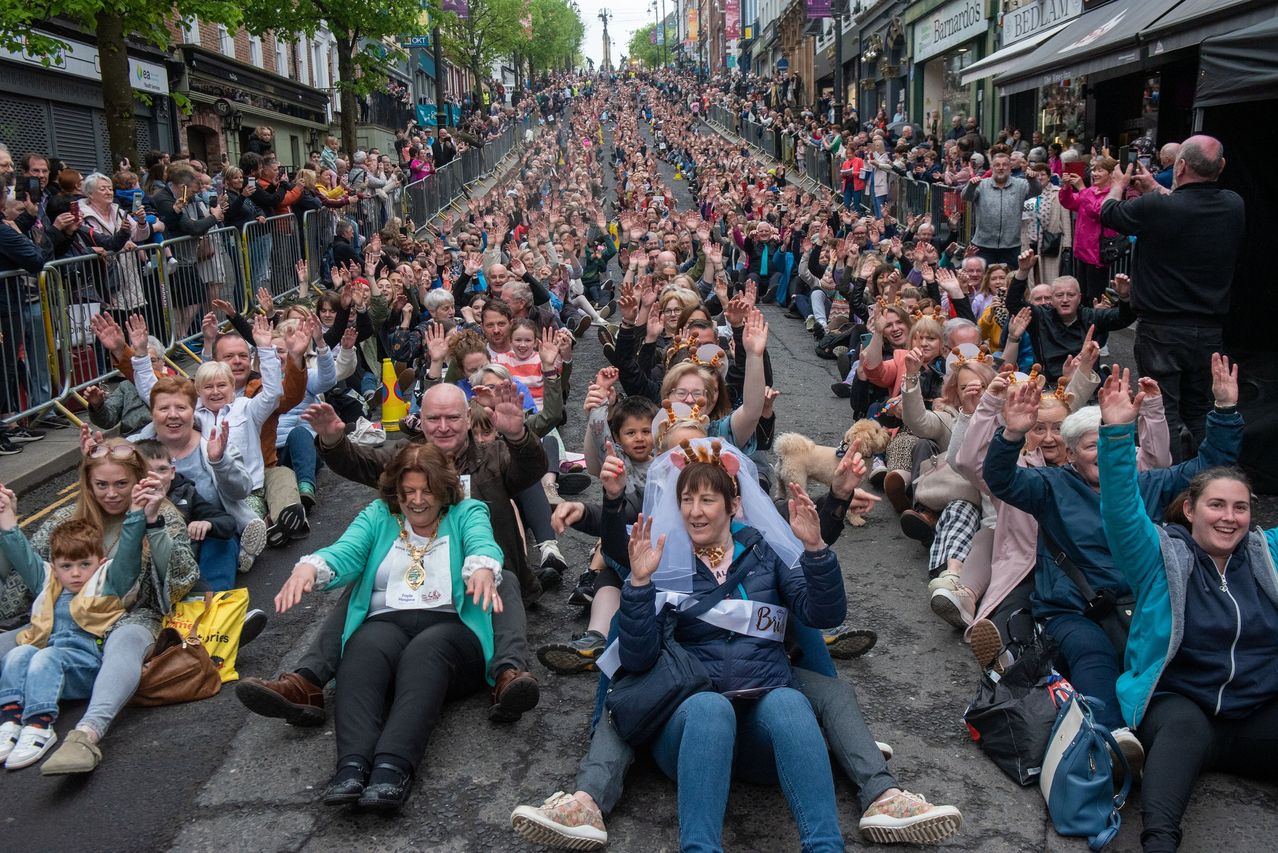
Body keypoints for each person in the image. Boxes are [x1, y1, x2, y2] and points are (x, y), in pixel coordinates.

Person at [981, 358, 1244, 776]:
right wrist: (1012, 432)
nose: (1103, 454)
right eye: (1091, 445)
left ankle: (1195, 738)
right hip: (1072, 610)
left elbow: (1206, 469)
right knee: (1093, 654)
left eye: (1110, 443)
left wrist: (1225, 410)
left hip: (1140, 605)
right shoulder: (1051, 485)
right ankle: (1112, 738)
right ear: (1069, 454)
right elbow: (1000, 480)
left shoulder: (1146, 484)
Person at [235, 382, 545, 725]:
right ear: (421, 420)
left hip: (481, 581)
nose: (443, 426)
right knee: (363, 583)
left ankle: (508, 678)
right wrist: (334, 440)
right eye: (434, 418)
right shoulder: (406, 459)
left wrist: (518, 436)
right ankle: (307, 681)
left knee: (508, 581)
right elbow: (361, 463)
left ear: (469, 419)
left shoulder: (494, 456)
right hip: (417, 576)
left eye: (453, 418)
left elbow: (530, 470)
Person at [1095, 366, 1278, 853]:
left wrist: (1225, 410)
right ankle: (1158, 844)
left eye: (1240, 508)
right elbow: (1119, 511)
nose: (1229, 517)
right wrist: (1115, 434)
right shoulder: (1160, 555)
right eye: (1217, 505)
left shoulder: (1267, 554)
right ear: (1191, 509)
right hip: (1183, 706)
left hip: (1258, 713)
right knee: (1179, 733)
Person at [273, 442, 503, 811]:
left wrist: (480, 567)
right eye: (407, 491)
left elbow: (482, 542)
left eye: (426, 490)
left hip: (451, 629)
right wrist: (309, 568)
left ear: (444, 488)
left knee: (426, 652)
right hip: (388, 621)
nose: (416, 500)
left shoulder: (467, 511)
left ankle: (392, 768)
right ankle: (351, 767)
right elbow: (345, 551)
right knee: (361, 648)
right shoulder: (379, 515)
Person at [0, 437, 198, 774]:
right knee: (11, 647)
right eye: (101, 484)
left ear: (138, 480)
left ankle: (86, 734)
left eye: (122, 483)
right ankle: (14, 717)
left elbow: (179, 578)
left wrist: (151, 522)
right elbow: (25, 577)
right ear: (88, 484)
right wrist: (6, 524)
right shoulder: (66, 517)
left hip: (131, 614)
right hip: (61, 618)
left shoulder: (162, 511)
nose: (112, 493)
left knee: (123, 644)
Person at [1099, 135, 1245, 462]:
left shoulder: (1158, 208)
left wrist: (1118, 183)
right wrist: (1154, 186)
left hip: (1161, 329)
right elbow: (1184, 205)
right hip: (1209, 330)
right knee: (1200, 409)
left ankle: (1171, 487)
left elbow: (1109, 212)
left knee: (1161, 411)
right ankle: (1209, 482)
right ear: (1221, 167)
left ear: (1179, 166)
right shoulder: (1233, 204)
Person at [0, 488, 151, 769]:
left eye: (85, 564)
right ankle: (10, 720)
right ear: (55, 568)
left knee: (45, 656)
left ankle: (39, 724)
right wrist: (6, 514)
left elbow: (129, 555)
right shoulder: (47, 583)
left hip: (85, 667)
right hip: (50, 668)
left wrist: (135, 514)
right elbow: (22, 555)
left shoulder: (108, 583)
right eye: (66, 566)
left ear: (101, 562)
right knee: (19, 654)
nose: (76, 573)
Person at [1058, 156, 1122, 304]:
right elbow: (1069, 202)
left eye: (1100, 170)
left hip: (1097, 253)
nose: (1095, 174)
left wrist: (1081, 188)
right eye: (1094, 170)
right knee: (1083, 294)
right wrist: (1066, 187)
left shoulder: (1112, 193)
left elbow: (1097, 211)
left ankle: (1096, 324)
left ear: (1112, 174)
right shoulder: (1091, 190)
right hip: (1082, 251)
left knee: (1095, 296)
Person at [961, 152, 1040, 268]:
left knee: (1010, 280)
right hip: (983, 245)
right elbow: (965, 197)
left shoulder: (1020, 184)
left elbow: (1036, 191)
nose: (1001, 168)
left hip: (1011, 245)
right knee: (983, 281)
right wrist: (971, 186)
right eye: (997, 165)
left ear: (1010, 167)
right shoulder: (982, 185)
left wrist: (1032, 180)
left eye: (1004, 165)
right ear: (992, 167)